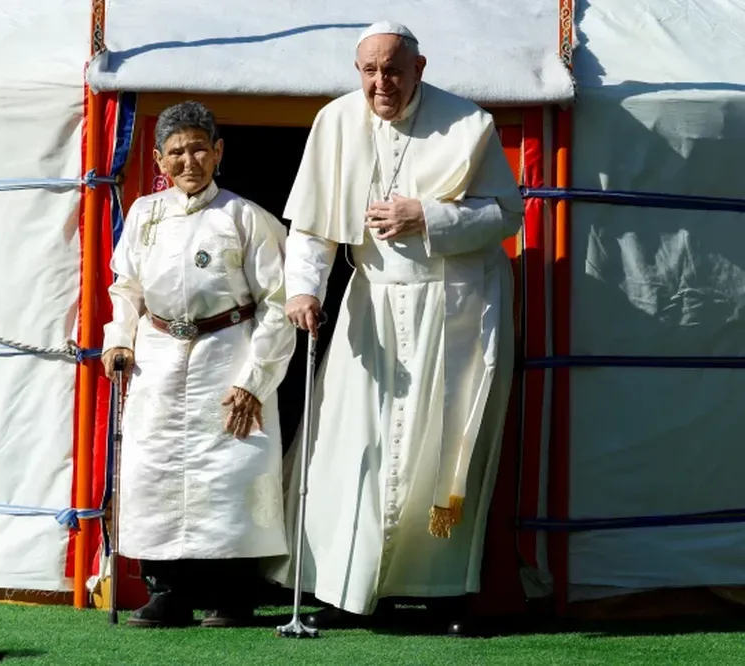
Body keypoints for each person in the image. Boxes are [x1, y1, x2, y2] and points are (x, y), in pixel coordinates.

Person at [268, 21, 524, 636]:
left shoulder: (469, 124)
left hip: (452, 306)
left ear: (419, 68)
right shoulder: (335, 122)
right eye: (369, 71)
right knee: (353, 445)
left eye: (393, 70)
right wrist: (304, 288)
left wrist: (427, 215)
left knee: (437, 447)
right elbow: (312, 226)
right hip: (372, 305)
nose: (381, 83)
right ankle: (345, 588)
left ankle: (440, 594)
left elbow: (506, 214)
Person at [101, 101, 295, 628]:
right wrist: (119, 339)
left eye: (199, 149)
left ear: (219, 152)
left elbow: (277, 303)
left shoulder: (247, 218)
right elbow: (126, 287)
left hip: (227, 353)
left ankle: (231, 594)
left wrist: (254, 381)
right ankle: (168, 591)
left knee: (230, 472)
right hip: (158, 356)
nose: (189, 161)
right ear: (159, 160)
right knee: (156, 470)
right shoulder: (144, 214)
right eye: (176, 152)